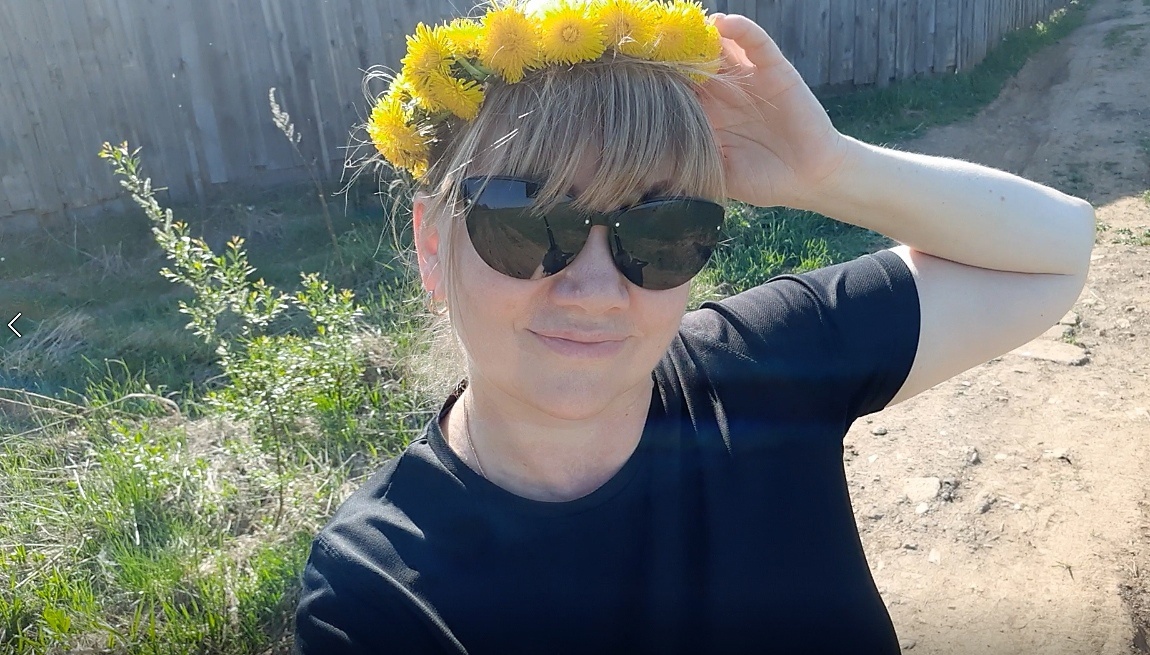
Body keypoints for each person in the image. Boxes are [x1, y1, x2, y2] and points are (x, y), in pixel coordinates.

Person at [294, 0, 1095, 652]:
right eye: (529, 221)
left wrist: (830, 169)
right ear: (433, 246)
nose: (596, 291)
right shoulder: (375, 592)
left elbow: (1057, 253)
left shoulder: (766, 366)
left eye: (661, 230)